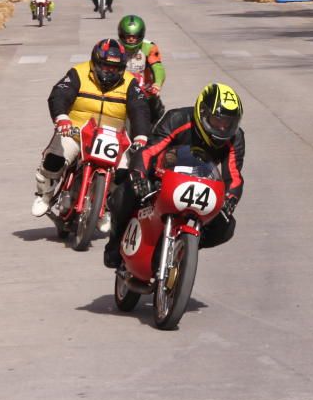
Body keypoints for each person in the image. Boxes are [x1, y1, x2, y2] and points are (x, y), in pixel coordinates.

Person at [104, 82, 245, 269]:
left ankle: (184, 249)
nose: (222, 128)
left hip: (201, 184)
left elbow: (233, 176)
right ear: (202, 113)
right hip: (162, 177)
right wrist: (138, 176)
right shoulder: (177, 118)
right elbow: (148, 151)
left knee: (226, 226)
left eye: (228, 123)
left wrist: (230, 198)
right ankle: (114, 243)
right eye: (217, 121)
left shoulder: (235, 138)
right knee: (124, 192)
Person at [31, 39, 152, 218]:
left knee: (124, 174)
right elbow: (59, 94)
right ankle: (45, 195)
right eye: (105, 66)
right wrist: (62, 118)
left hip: (113, 137)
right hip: (75, 132)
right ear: (95, 63)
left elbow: (140, 109)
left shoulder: (130, 83)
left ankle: (106, 207)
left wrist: (141, 136)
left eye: (115, 68)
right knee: (54, 159)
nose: (110, 71)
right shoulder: (78, 73)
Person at [118, 15, 165, 124]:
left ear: (141, 35)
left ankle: (151, 132)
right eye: (127, 36)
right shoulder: (115, 46)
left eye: (134, 36)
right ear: (121, 35)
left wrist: (157, 84)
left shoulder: (149, 47)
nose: (131, 39)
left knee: (156, 108)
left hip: (144, 89)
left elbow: (158, 67)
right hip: (119, 86)